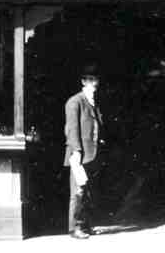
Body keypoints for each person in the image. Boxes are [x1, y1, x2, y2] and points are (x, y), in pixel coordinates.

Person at [64, 65, 103, 239]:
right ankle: (75, 228)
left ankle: (86, 225)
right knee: (78, 191)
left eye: (95, 80)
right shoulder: (75, 102)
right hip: (79, 154)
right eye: (89, 80)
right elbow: (72, 129)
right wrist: (77, 151)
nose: (93, 83)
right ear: (83, 82)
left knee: (88, 191)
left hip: (92, 154)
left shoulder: (93, 103)